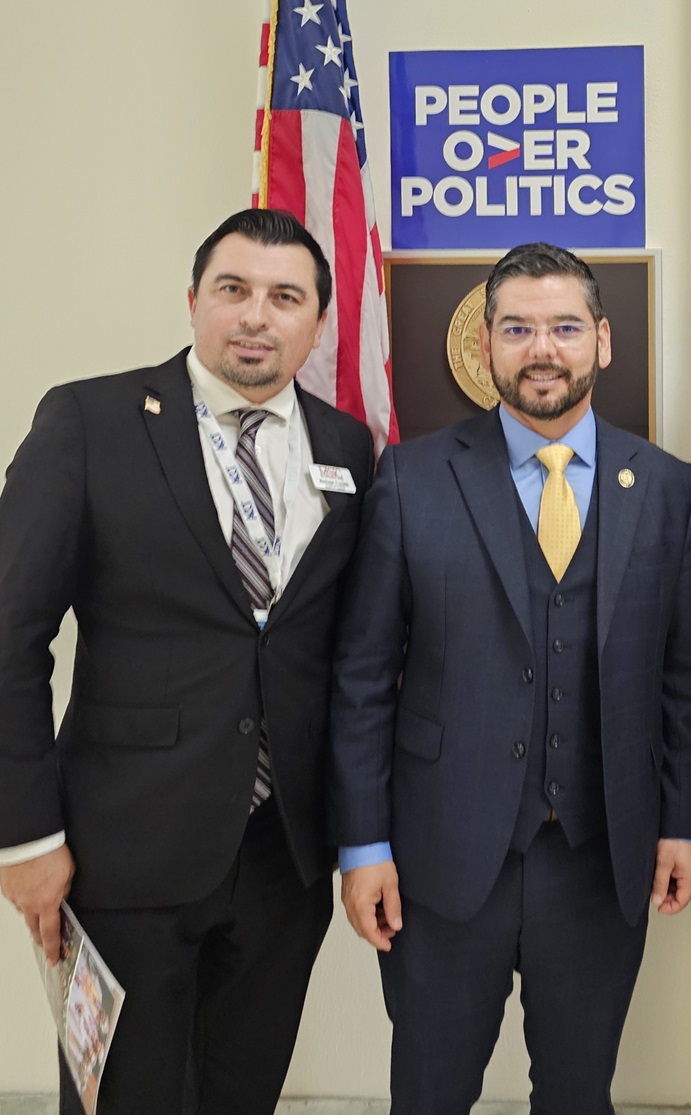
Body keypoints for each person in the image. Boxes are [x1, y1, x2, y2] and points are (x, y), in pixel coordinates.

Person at [0, 208, 374, 1114]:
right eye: (233, 290)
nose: (256, 315)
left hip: (283, 858)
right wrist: (26, 836)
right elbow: (10, 634)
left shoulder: (349, 449)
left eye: (285, 297)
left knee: (241, 1094)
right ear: (194, 300)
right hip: (119, 854)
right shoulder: (90, 419)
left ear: (316, 322)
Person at [329, 242, 691, 1115]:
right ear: (487, 346)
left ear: (603, 342)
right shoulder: (411, 478)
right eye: (519, 328)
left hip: (599, 857)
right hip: (440, 857)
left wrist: (682, 821)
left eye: (565, 326)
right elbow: (360, 677)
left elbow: (684, 677)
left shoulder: (664, 487)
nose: (543, 348)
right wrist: (363, 845)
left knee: (579, 1095)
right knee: (428, 1093)